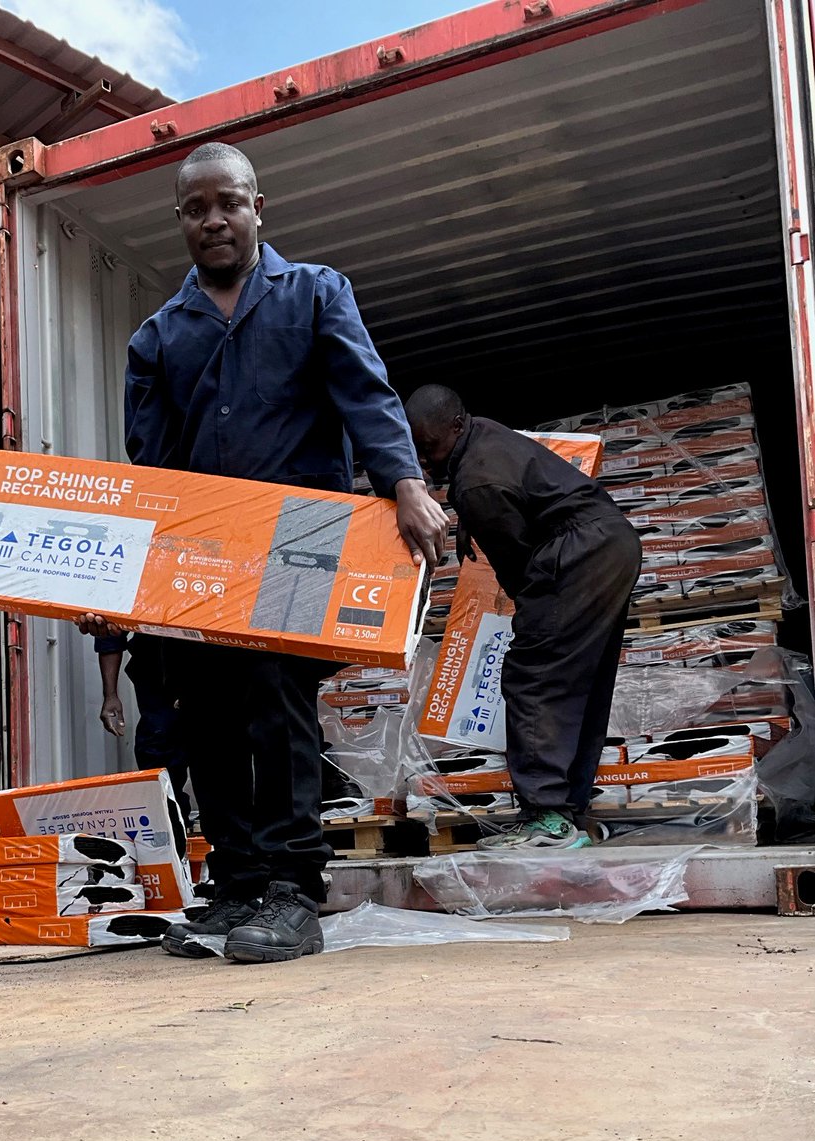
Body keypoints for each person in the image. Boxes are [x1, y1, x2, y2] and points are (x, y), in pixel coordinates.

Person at [79, 142, 446, 963]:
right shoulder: (159, 336)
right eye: (197, 207)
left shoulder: (315, 293)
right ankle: (236, 882)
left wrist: (405, 483)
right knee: (201, 708)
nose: (215, 219)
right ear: (180, 219)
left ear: (257, 207)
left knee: (275, 697)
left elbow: (366, 395)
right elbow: (149, 467)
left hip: (299, 537)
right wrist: (132, 574)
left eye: (229, 202)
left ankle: (291, 888)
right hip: (202, 546)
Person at [404, 384, 642, 849]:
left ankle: (547, 816)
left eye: (429, 446)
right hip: (612, 542)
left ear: (456, 425)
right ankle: (569, 811)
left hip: (580, 552)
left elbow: (519, 569)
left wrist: (536, 620)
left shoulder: (477, 484)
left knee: (533, 674)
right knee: (578, 679)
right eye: (416, 449)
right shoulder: (483, 435)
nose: (425, 459)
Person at [94, 631, 191, 824]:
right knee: (159, 746)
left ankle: (232, 841)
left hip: (214, 656)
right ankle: (167, 826)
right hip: (156, 664)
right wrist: (110, 694)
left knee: (219, 747)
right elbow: (110, 625)